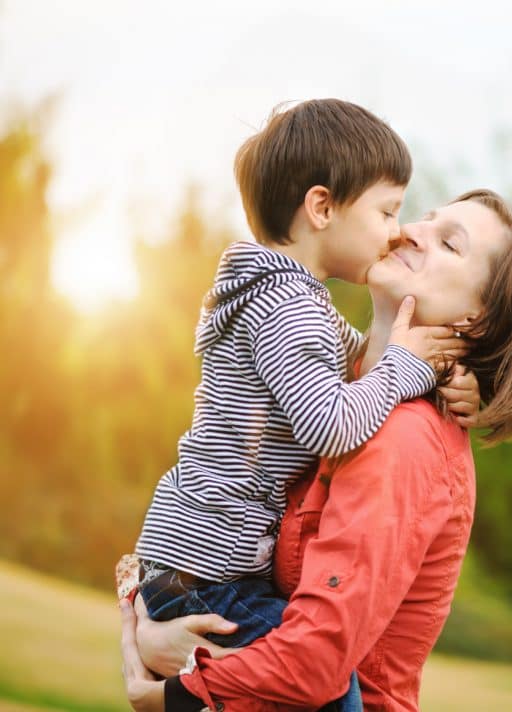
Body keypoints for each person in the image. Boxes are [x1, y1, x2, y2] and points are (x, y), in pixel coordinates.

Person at [120, 189, 512, 711]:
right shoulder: (334, 393)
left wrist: (169, 692)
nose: (411, 230)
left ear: (478, 319)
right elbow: (211, 509)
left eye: (450, 244)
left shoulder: (403, 440)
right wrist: (148, 617)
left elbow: (313, 662)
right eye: (424, 219)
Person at [127, 99, 476, 711]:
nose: (397, 230)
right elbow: (332, 424)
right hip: (207, 568)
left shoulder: (290, 302)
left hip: (197, 559)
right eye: (387, 210)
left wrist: (450, 372)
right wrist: (404, 368)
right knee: (323, 684)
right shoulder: (288, 310)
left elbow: (359, 365)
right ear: (322, 207)